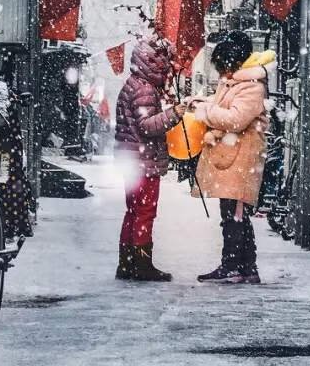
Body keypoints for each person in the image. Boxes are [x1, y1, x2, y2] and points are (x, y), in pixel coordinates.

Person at [192, 31, 271, 284]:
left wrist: (205, 111)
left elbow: (235, 119)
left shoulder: (251, 86)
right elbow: (224, 107)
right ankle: (246, 267)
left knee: (234, 214)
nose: (220, 73)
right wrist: (201, 102)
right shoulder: (236, 83)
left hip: (242, 160)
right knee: (234, 213)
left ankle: (233, 264)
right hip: (233, 158)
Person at [114, 36, 184, 281]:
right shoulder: (144, 89)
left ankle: (127, 263)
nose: (167, 68)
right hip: (142, 162)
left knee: (132, 211)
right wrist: (174, 114)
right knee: (144, 211)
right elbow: (146, 126)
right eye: (165, 63)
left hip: (132, 161)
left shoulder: (133, 84)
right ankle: (142, 265)